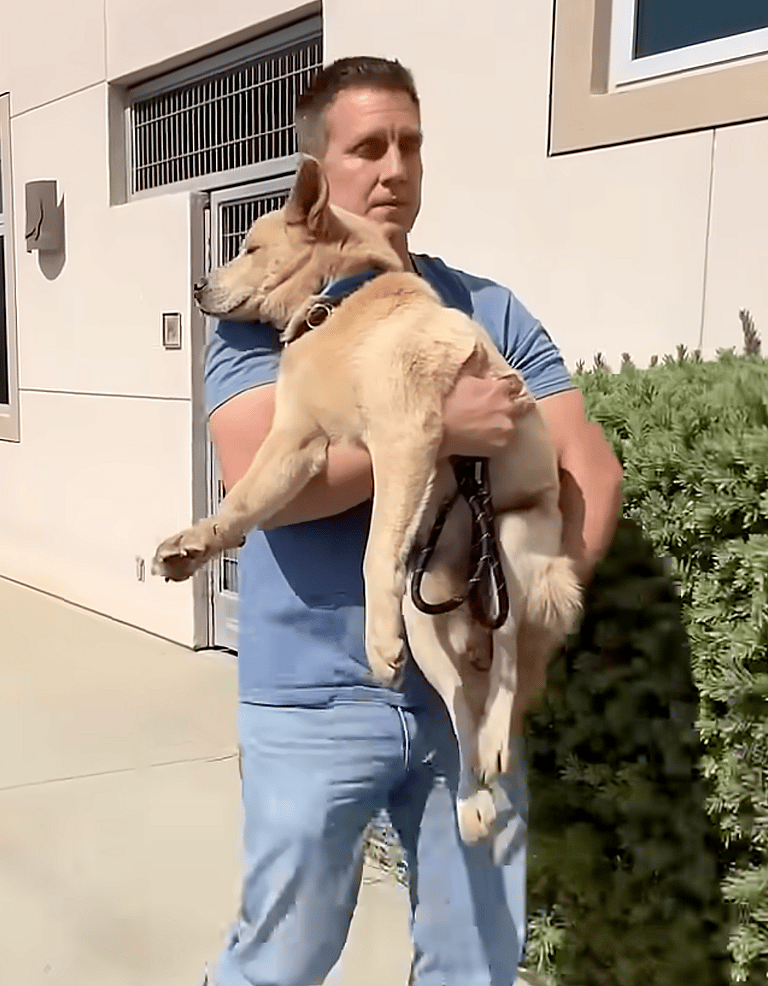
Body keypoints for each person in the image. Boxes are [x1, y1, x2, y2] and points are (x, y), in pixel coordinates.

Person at [203, 56, 623, 986]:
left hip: (460, 701)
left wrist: (528, 639)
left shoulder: (485, 307)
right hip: (313, 698)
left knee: (477, 959)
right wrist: (440, 430)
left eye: (411, 145)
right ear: (319, 174)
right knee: (279, 956)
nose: (395, 168)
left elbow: (587, 466)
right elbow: (260, 474)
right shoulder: (263, 313)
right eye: (367, 148)